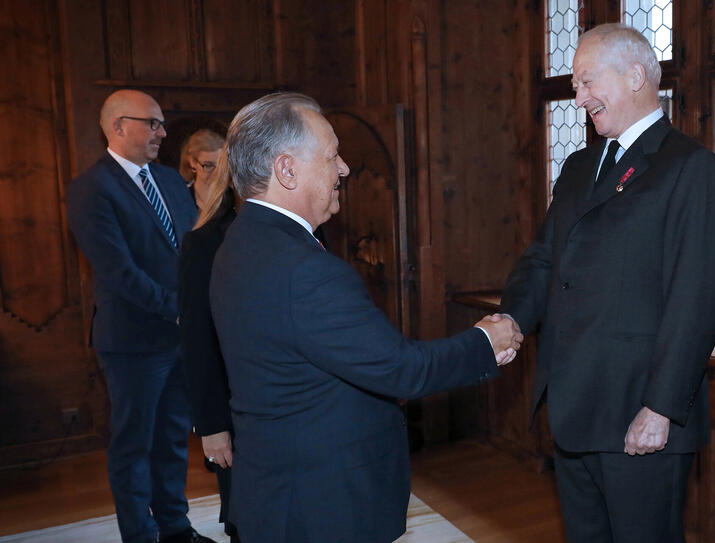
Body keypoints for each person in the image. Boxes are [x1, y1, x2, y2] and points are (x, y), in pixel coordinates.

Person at [208, 92, 522, 543]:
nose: (344, 169)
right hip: (321, 505)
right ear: (287, 169)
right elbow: (399, 370)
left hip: (277, 490)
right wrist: (483, 343)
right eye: (332, 156)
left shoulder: (241, 241)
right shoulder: (303, 268)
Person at [500, 24, 715, 543]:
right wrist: (511, 317)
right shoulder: (581, 166)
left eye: (586, 81)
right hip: (574, 408)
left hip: (639, 416)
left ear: (635, 76)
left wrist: (661, 408)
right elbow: (543, 260)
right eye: (575, 84)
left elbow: (694, 301)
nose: (578, 96)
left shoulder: (691, 169)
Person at [66, 89, 211, 543]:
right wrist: (181, 310)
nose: (162, 133)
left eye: (161, 124)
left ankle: (175, 529)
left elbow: (191, 252)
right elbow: (119, 273)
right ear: (117, 126)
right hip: (133, 343)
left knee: (171, 442)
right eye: (152, 123)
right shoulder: (91, 189)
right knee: (134, 447)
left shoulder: (169, 180)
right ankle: (140, 535)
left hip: (179, 338)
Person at [178, 152, 241, 542]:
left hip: (295, 413)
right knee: (245, 516)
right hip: (234, 410)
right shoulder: (204, 243)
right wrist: (212, 427)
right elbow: (197, 341)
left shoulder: (307, 232)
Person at [178, 128, 225, 213]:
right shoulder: (180, 199)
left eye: (221, 164)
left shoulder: (231, 199)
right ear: (193, 163)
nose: (216, 172)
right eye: (209, 165)